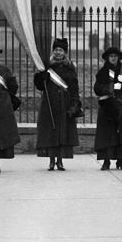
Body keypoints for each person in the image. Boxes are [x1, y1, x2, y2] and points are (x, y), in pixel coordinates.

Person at [35, 38, 81, 171]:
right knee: (50, 132)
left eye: (60, 50)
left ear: (65, 52)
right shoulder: (45, 66)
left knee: (62, 132)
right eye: (56, 50)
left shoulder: (70, 67)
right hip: (49, 102)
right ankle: (51, 160)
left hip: (64, 103)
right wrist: (40, 76)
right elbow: (39, 86)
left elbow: (74, 87)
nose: (58, 53)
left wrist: (74, 104)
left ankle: (60, 161)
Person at [93, 46, 122, 170]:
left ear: (118, 58)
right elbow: (97, 89)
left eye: (115, 56)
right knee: (107, 134)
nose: (113, 58)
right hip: (108, 106)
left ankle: (120, 160)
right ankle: (106, 161)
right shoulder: (102, 72)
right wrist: (110, 88)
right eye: (111, 56)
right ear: (108, 58)